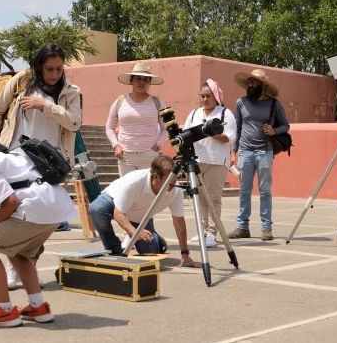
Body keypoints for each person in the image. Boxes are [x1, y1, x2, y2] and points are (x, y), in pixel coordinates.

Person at [0, 119, 75, 328]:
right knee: (20, 252)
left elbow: (11, 201)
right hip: (56, 207)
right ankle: (38, 306)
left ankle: (4, 310)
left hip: (34, 207)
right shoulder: (6, 155)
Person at [0, 43, 82, 288]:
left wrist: (45, 106)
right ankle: (12, 271)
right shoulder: (21, 81)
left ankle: (29, 268)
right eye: (49, 68)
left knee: (40, 217)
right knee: (14, 212)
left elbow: (74, 123)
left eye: (59, 69)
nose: (54, 74)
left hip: (49, 163)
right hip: (16, 157)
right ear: (39, 66)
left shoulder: (71, 91)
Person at [88, 155, 197, 267]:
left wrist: (185, 253)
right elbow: (118, 213)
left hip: (141, 217)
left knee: (150, 251)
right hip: (113, 203)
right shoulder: (134, 182)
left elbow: (179, 222)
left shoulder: (176, 191)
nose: (173, 182)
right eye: (169, 179)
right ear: (155, 177)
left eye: (175, 177)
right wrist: (134, 232)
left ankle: (157, 240)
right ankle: (115, 251)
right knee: (97, 209)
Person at [228, 68, 289, 241]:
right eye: (249, 82)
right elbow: (237, 129)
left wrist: (274, 130)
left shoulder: (274, 104)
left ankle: (266, 228)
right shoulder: (241, 102)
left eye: (254, 82)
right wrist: (234, 153)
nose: (251, 84)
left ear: (262, 85)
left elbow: (286, 125)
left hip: (265, 152)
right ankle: (242, 227)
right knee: (244, 191)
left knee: (265, 191)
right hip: (245, 152)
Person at [183, 79, 237, 248]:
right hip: (196, 161)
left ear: (215, 97)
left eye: (208, 96)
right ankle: (203, 230)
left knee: (213, 198)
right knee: (199, 199)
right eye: (202, 96)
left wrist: (210, 132)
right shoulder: (194, 113)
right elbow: (186, 133)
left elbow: (230, 138)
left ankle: (212, 233)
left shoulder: (224, 113)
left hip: (217, 162)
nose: (205, 99)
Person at [105, 62, 166, 177]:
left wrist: (157, 146)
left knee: (147, 191)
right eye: (138, 78)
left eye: (146, 79)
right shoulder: (120, 101)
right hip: (125, 156)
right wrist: (116, 145)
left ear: (150, 83)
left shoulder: (157, 102)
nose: (142, 82)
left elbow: (165, 128)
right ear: (131, 80)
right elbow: (109, 127)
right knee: (127, 192)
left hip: (149, 156)